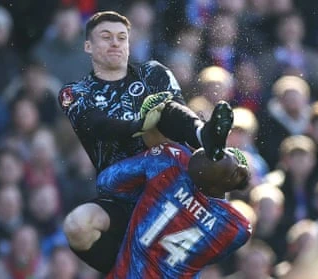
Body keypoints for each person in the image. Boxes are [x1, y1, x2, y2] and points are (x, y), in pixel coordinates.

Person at [61, 11, 234, 273]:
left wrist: (156, 123)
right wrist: (140, 125)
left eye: (122, 38)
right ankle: (128, 271)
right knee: (76, 226)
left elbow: (175, 117)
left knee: (164, 111)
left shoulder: (152, 73)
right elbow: (97, 125)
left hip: (171, 190)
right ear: (88, 46)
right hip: (122, 196)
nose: (115, 43)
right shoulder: (74, 92)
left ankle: (206, 135)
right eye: (105, 37)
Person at [96, 128, 252, 278]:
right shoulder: (235, 227)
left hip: (125, 271)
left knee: (82, 225)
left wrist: (144, 198)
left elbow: (106, 182)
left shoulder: (172, 162)